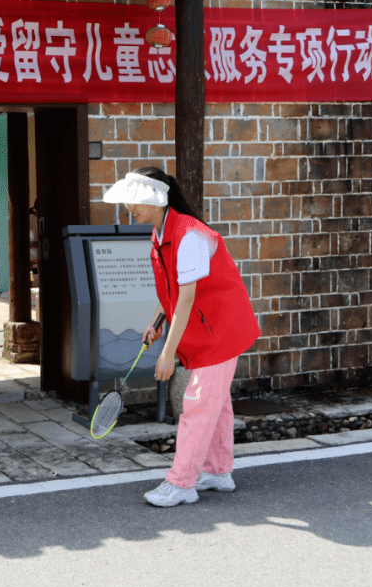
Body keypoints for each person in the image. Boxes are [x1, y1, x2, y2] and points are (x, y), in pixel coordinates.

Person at [103, 167, 261, 507]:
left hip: (219, 330)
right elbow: (173, 291)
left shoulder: (189, 236)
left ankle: (181, 483)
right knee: (215, 405)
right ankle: (218, 472)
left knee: (198, 405)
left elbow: (187, 297)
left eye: (138, 202)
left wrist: (167, 354)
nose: (132, 208)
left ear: (159, 201)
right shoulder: (161, 232)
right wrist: (157, 320)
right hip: (210, 327)